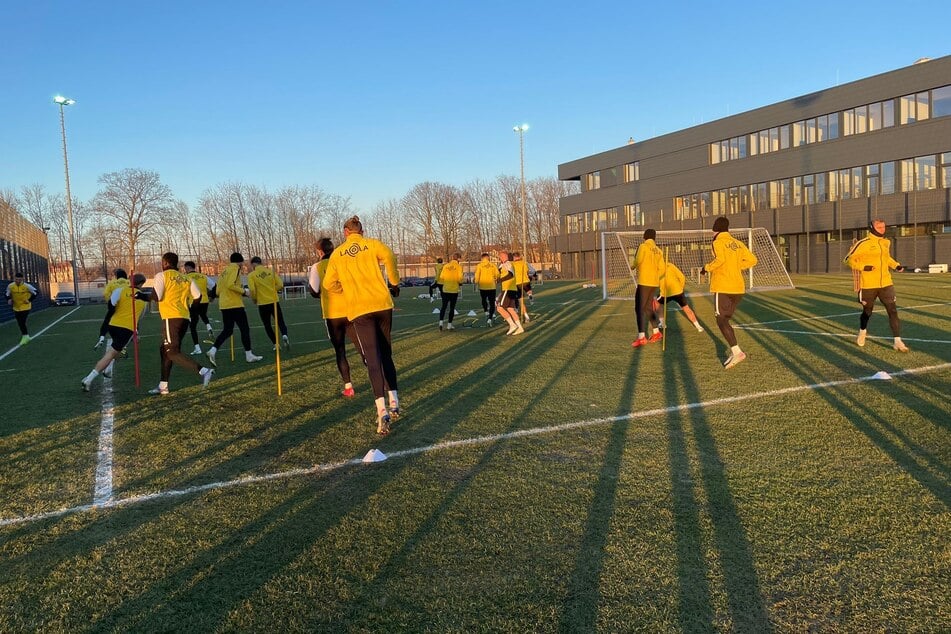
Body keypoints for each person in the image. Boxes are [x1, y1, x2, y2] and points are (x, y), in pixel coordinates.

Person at [322, 216, 401, 435]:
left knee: (373, 360)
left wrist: (346, 292)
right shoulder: (373, 244)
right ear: (361, 231)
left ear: (345, 232)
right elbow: (390, 257)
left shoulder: (337, 253)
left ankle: (381, 410)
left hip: (359, 309)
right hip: (382, 305)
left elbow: (328, 284)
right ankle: (394, 399)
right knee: (386, 354)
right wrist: (394, 282)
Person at [149, 252, 215, 394]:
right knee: (165, 350)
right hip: (184, 318)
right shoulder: (186, 278)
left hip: (170, 318)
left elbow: (157, 296)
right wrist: (191, 310)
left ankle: (204, 371)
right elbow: (198, 296)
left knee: (172, 352)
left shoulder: (162, 276)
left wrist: (142, 295)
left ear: (165, 263)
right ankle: (163, 386)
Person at [701, 216, 758, 369]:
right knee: (725, 319)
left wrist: (706, 268)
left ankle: (737, 351)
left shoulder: (717, 242)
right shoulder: (737, 243)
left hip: (724, 286)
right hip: (738, 287)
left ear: (715, 229)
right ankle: (735, 351)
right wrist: (736, 266)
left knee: (721, 320)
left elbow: (720, 260)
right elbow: (753, 260)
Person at [844, 219, 908, 352]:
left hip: (886, 283)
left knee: (893, 311)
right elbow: (848, 259)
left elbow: (887, 258)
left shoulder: (886, 242)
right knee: (867, 312)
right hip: (868, 285)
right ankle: (862, 331)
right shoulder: (863, 243)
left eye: (883, 227)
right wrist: (863, 267)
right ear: (872, 227)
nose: (882, 229)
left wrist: (896, 265)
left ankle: (897, 341)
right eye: (879, 227)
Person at [82, 274, 151, 391]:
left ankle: (108, 368)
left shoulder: (120, 290)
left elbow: (111, 305)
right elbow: (139, 318)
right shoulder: (144, 300)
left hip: (113, 325)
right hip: (127, 329)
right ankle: (89, 379)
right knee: (112, 353)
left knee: (116, 350)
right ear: (141, 284)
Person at [309, 237, 358, 398]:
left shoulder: (317, 266)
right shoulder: (343, 262)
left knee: (340, 351)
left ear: (320, 251)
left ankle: (348, 387)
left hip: (332, 314)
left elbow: (314, 291)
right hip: (351, 310)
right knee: (364, 348)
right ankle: (381, 382)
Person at [206, 252, 263, 366]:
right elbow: (230, 285)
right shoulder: (235, 269)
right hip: (234, 304)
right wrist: (244, 292)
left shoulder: (224, 271)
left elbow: (217, 290)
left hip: (224, 304)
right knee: (244, 329)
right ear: (240, 262)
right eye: (242, 262)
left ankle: (213, 350)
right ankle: (249, 355)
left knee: (228, 330)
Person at [247, 256, 289, 351]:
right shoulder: (271, 272)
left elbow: (252, 290)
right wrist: (272, 290)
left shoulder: (251, 275)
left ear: (254, 264)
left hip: (262, 303)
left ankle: (276, 344)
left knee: (267, 325)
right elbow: (280, 285)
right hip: (274, 301)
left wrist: (254, 299)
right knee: (280, 321)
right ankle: (284, 335)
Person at [631, 229, 665, 348]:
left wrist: (633, 265)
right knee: (648, 308)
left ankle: (641, 337)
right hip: (654, 283)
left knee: (639, 308)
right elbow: (662, 268)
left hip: (644, 281)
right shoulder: (659, 251)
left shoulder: (643, 246)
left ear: (645, 237)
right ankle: (656, 333)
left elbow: (638, 260)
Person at [657, 260, 704, 333]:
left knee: (657, 303)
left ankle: (662, 323)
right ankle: (698, 326)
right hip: (678, 291)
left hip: (666, 293)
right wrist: (680, 288)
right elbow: (682, 277)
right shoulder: (670, 265)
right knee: (686, 308)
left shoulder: (655, 269)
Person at [184, 261, 216, 355]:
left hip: (193, 302)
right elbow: (214, 286)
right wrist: (212, 297)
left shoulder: (186, 277)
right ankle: (208, 326)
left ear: (188, 268)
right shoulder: (203, 276)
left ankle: (197, 348)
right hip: (205, 300)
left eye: (185, 268)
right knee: (203, 314)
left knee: (193, 325)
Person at [95, 269, 129, 349]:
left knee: (107, 321)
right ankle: (134, 333)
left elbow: (106, 293)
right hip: (126, 307)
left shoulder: (112, 283)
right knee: (129, 321)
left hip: (114, 306)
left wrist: (110, 302)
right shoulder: (129, 283)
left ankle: (102, 336)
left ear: (117, 276)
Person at [5, 272, 37, 346]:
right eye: (16, 279)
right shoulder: (10, 286)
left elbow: (35, 293)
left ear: (22, 279)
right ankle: (26, 336)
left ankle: (25, 336)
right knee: (20, 322)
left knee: (22, 321)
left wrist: (29, 300)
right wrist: (9, 299)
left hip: (26, 306)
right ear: (14, 279)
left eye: (19, 279)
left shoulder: (27, 286)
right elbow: (6, 293)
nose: (18, 281)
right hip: (16, 307)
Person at [496, 251, 524, 336]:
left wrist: (499, 280)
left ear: (503, 256)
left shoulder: (508, 264)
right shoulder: (503, 265)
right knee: (510, 309)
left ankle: (512, 325)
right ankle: (520, 327)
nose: (499, 258)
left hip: (508, 289)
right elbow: (499, 271)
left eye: (500, 256)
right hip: (511, 289)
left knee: (499, 308)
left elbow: (510, 275)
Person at [437, 252, 463, 330]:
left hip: (445, 289)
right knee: (452, 308)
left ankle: (441, 322)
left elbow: (441, 277)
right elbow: (460, 278)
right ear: (458, 259)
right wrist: (460, 283)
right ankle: (449, 324)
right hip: (454, 290)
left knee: (444, 306)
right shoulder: (458, 267)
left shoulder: (446, 266)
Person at [474, 252, 499, 325]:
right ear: (488, 258)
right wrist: (496, 278)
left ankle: (485, 311)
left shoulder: (479, 265)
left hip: (483, 286)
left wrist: (476, 283)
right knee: (492, 302)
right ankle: (490, 318)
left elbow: (477, 275)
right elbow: (497, 275)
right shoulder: (493, 265)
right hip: (492, 286)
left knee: (484, 300)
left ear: (482, 258)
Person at [512, 252, 531, 323]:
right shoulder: (524, 263)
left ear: (515, 257)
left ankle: (518, 312)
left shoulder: (513, 264)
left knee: (519, 301)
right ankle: (529, 294)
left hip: (517, 283)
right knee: (521, 299)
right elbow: (527, 271)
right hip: (525, 281)